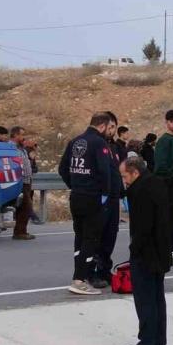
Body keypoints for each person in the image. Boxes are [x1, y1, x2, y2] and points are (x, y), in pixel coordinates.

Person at [117, 157, 172, 345]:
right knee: (157, 298)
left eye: (125, 176)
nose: (124, 181)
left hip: (146, 253)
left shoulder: (140, 191)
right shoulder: (158, 183)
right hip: (161, 251)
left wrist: (134, 249)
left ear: (135, 173)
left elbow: (143, 226)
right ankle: (158, 343)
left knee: (145, 300)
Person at [58, 113, 113, 295]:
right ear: (103, 126)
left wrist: (74, 184)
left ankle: (78, 274)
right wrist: (105, 193)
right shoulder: (99, 143)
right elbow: (104, 171)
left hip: (76, 196)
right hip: (92, 197)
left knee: (80, 238)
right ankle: (79, 280)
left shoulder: (75, 141)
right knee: (91, 239)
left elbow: (62, 168)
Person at [92, 112, 123, 289]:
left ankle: (105, 269)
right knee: (98, 236)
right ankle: (93, 271)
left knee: (111, 235)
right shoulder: (96, 145)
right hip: (100, 199)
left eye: (114, 127)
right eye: (109, 127)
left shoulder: (114, 147)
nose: (111, 131)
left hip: (114, 199)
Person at [154, 110, 173, 254]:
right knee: (167, 216)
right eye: (171, 121)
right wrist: (172, 176)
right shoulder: (164, 140)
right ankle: (168, 247)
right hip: (166, 184)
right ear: (166, 122)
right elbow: (160, 165)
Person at [10, 126, 36, 241]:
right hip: (19, 181)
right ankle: (20, 232)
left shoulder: (22, 149)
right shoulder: (11, 148)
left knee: (24, 207)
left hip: (27, 180)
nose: (23, 137)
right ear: (15, 135)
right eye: (21, 135)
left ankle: (21, 231)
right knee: (26, 206)